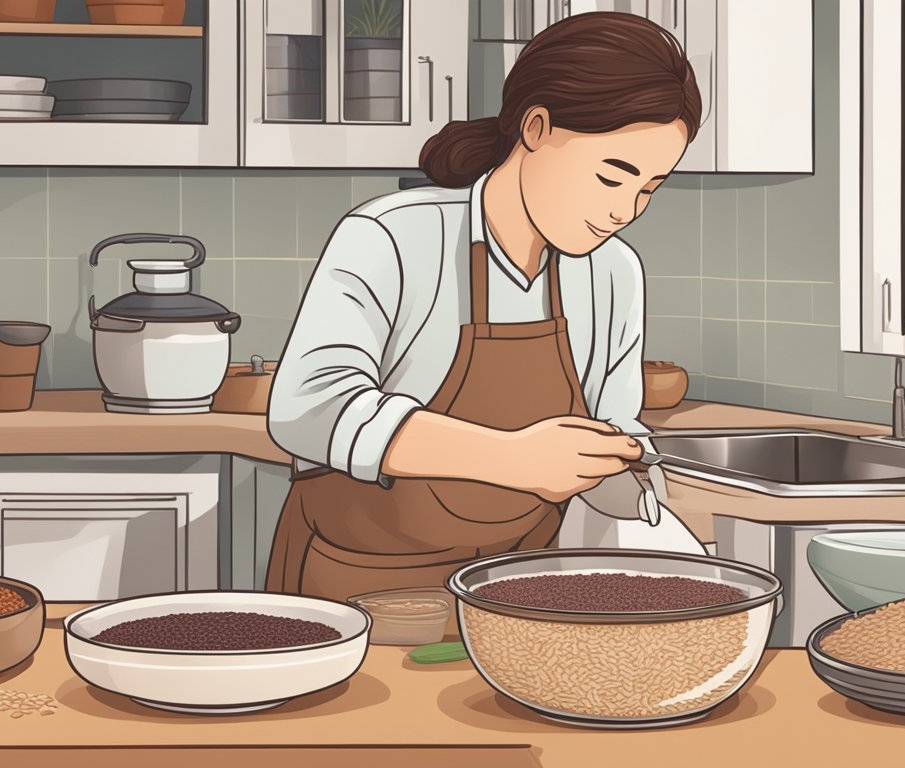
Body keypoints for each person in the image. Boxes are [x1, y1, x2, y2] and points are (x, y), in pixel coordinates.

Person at [266, 12, 706, 600]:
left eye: (649, 187)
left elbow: (612, 422)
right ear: (537, 127)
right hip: (362, 582)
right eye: (612, 177)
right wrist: (510, 458)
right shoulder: (393, 237)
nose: (626, 210)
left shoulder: (613, 273)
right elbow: (308, 408)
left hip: (518, 586)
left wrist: (625, 474)